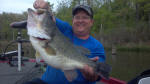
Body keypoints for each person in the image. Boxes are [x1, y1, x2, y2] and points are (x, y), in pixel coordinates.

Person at [13, 0, 106, 84]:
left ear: (91, 22)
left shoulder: (97, 46)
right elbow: (51, 20)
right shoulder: (65, 29)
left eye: (85, 17)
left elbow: (96, 77)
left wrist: (91, 74)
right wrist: (46, 8)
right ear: (73, 20)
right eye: (77, 17)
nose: (80, 20)